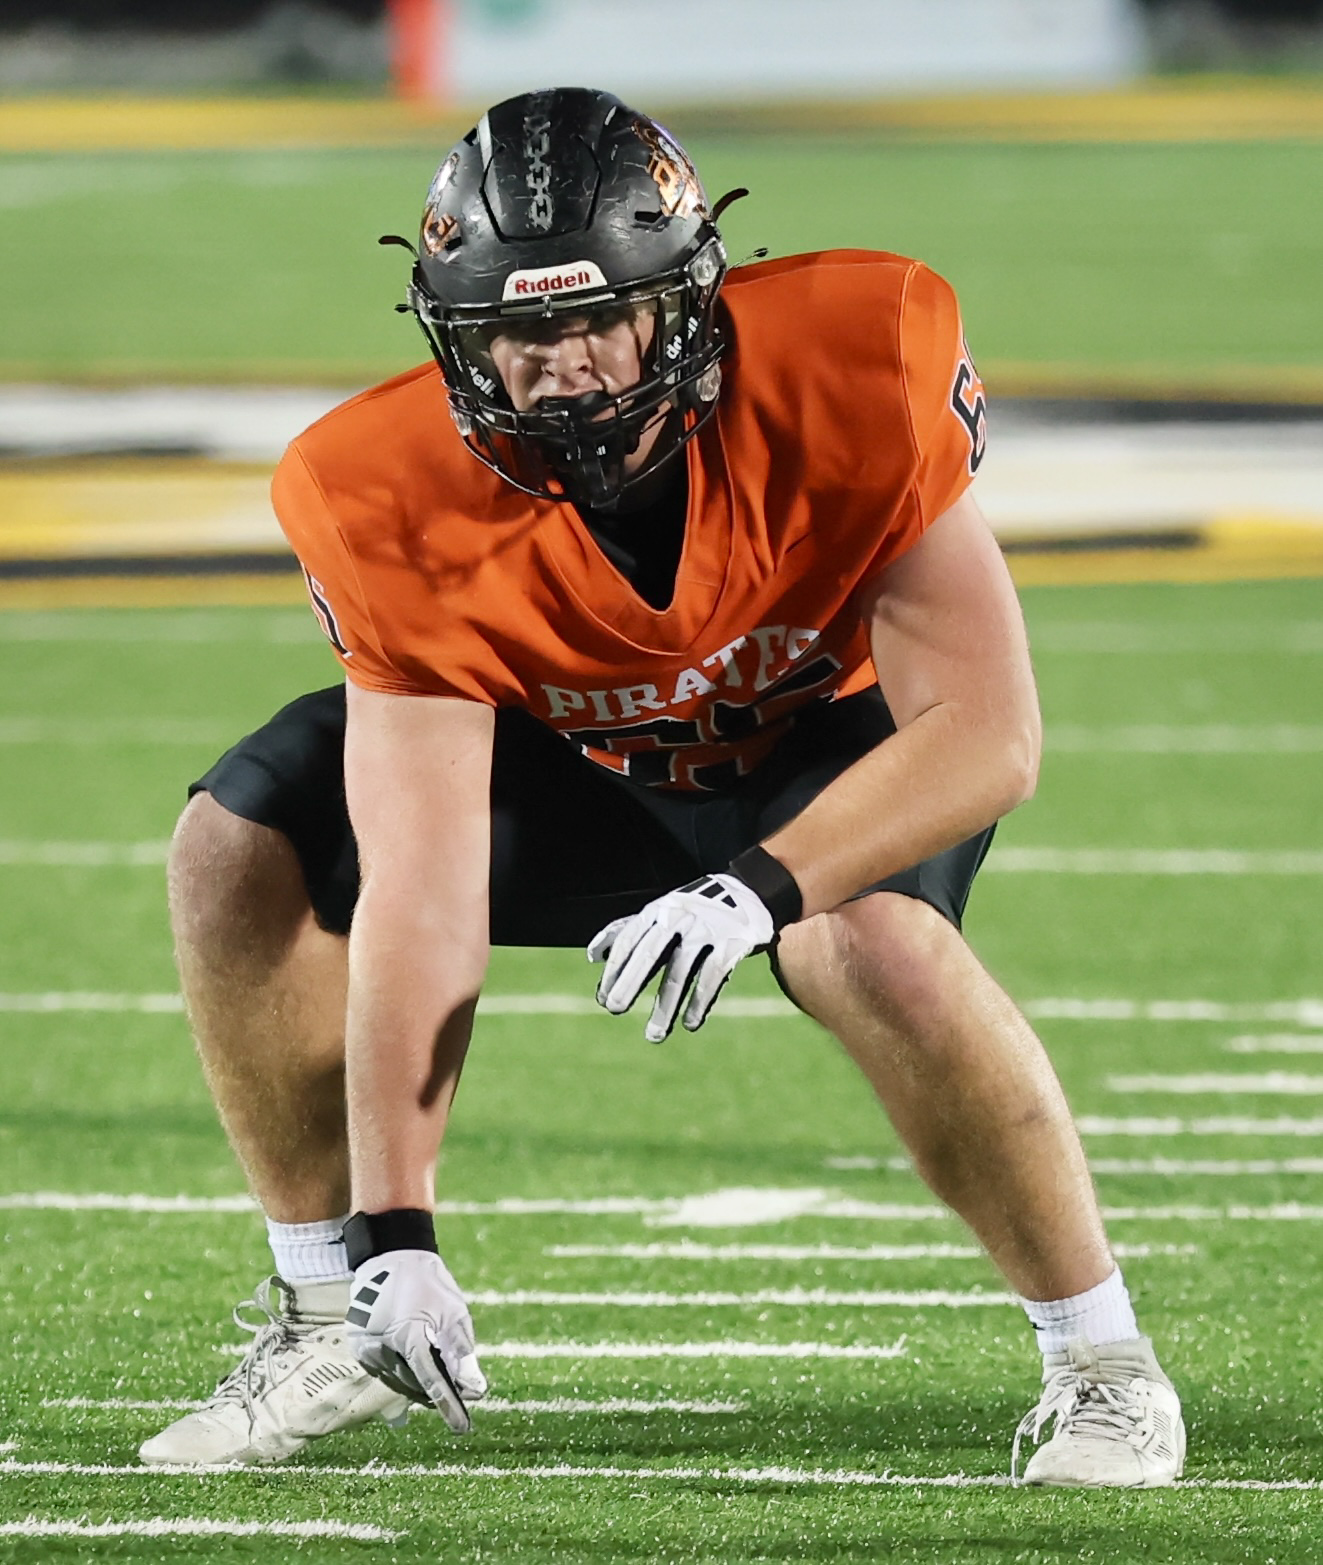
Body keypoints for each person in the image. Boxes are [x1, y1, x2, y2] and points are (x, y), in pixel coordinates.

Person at [141, 86, 1185, 1486]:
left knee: (868, 943)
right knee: (238, 836)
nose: (560, 369)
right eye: (517, 332)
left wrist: (757, 890)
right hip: (589, 765)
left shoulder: (852, 363)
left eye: (595, 319)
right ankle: (329, 1316)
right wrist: (399, 1232)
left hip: (832, 746)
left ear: (681, 304)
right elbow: (424, 885)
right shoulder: (382, 489)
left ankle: (1105, 1365)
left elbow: (987, 734)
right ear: (460, 338)